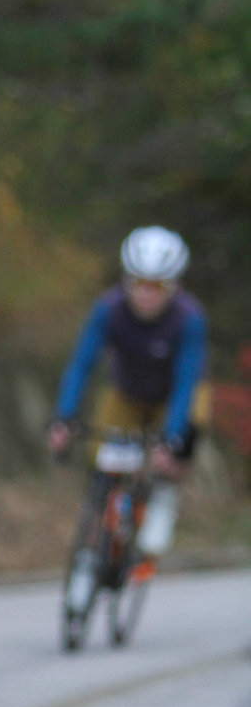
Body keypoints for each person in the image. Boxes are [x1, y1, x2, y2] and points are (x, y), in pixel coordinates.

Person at [47, 226, 209, 560]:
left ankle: (164, 493)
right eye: (138, 283)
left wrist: (171, 439)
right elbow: (82, 365)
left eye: (157, 286)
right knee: (101, 457)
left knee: (185, 433)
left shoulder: (190, 319)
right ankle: (96, 540)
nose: (146, 294)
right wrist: (64, 417)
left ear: (174, 285)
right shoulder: (109, 308)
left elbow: (185, 383)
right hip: (127, 392)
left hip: (174, 396)